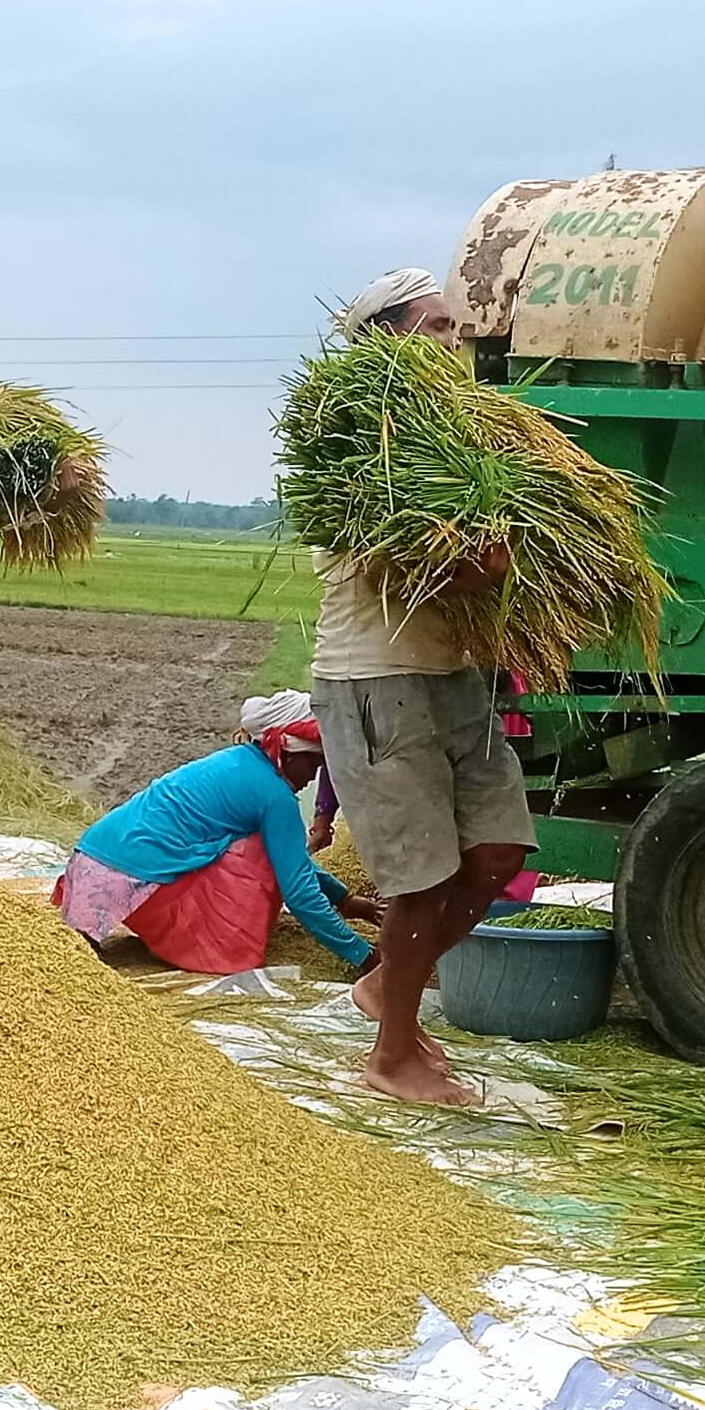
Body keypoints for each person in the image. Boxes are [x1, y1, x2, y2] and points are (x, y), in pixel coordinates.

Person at [316, 268, 538, 1107]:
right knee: (422, 881)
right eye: (437, 327)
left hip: (456, 673)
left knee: (497, 855)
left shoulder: (458, 441)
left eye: (457, 326)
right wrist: (473, 578)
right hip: (378, 676)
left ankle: (388, 995)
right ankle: (391, 1053)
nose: (456, 341)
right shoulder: (353, 439)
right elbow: (396, 568)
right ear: (386, 341)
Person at [55, 692, 382, 976]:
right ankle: (209, 946)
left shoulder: (240, 761)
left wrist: (347, 901)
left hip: (90, 868)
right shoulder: (274, 795)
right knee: (258, 854)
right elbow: (299, 892)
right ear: (287, 751)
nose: (314, 775)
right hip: (129, 883)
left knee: (269, 848)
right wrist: (364, 955)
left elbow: (292, 861)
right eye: (314, 762)